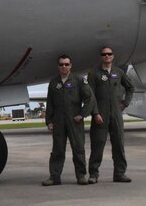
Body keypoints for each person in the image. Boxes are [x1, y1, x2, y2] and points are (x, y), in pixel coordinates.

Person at [42, 55, 94, 186]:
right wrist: (49, 121)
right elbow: (50, 103)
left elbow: (90, 99)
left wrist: (82, 114)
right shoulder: (54, 82)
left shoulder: (79, 80)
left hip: (74, 121)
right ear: (58, 66)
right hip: (58, 121)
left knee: (78, 149)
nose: (64, 67)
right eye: (61, 64)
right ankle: (54, 177)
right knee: (57, 150)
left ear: (71, 65)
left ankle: (81, 176)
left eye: (66, 64)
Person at [87, 46, 135, 184]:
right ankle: (93, 174)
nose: (107, 56)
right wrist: (95, 113)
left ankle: (120, 173)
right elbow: (90, 96)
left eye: (109, 54)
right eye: (104, 54)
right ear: (101, 57)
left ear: (113, 56)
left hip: (116, 114)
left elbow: (130, 87)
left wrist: (125, 103)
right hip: (100, 115)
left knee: (119, 144)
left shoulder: (118, 73)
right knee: (97, 145)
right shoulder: (93, 73)